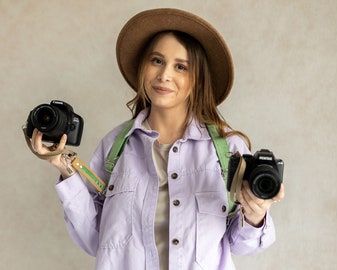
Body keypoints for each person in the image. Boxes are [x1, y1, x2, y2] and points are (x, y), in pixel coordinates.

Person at [31, 8, 284, 270]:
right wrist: (65, 170)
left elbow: (243, 245)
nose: (165, 75)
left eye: (181, 66)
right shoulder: (114, 147)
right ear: (143, 67)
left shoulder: (228, 151)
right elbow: (94, 239)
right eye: (157, 61)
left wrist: (256, 214)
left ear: (197, 79)